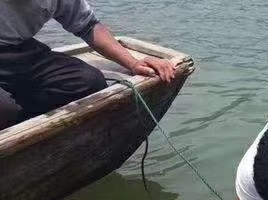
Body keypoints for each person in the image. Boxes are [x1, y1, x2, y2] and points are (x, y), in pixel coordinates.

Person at [0, 0, 176, 130]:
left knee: (89, 82)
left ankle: (34, 130)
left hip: (20, 49)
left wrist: (133, 63)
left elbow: (88, 25)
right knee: (5, 110)